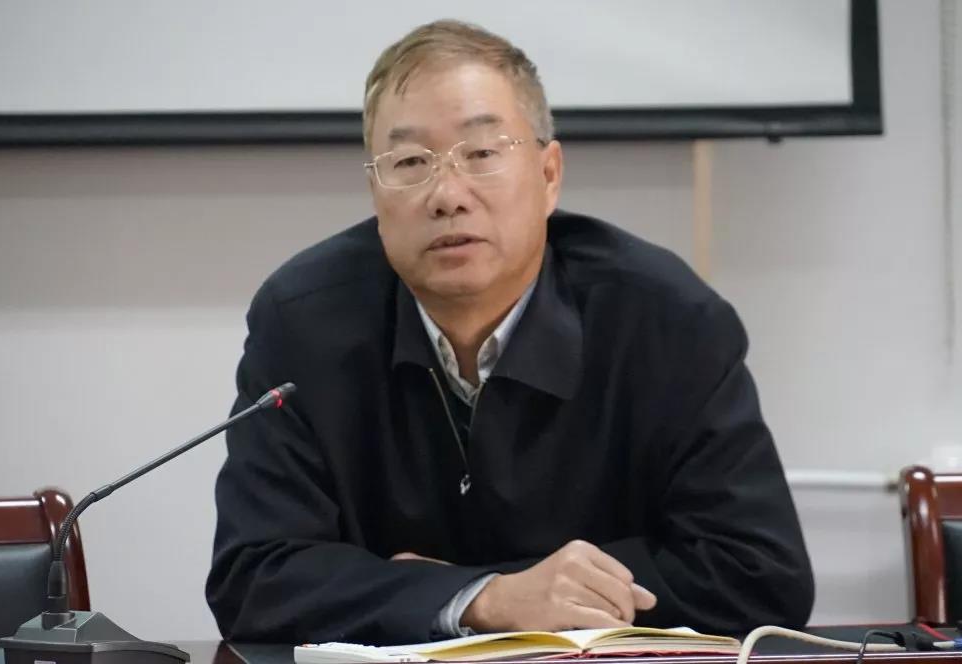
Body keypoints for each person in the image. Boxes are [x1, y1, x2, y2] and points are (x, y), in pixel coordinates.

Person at [205, 19, 814, 646]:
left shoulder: (666, 319)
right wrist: (487, 599)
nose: (447, 195)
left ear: (549, 176)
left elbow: (760, 577)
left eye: (482, 154)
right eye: (410, 162)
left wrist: (488, 592)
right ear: (375, 193)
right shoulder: (303, 322)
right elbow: (253, 578)